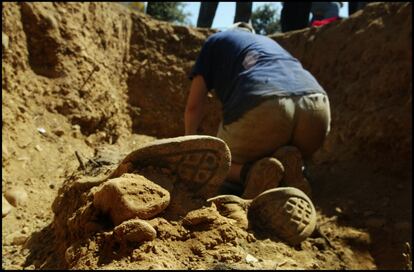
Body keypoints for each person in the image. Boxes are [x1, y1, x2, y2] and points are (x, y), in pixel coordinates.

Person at [184, 22, 331, 199]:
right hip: (317, 105)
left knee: (218, 163)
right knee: (282, 155)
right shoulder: (269, 43)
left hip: (266, 104)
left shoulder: (216, 40)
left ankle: (247, 173)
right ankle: (293, 170)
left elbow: (194, 106)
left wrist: (189, 146)